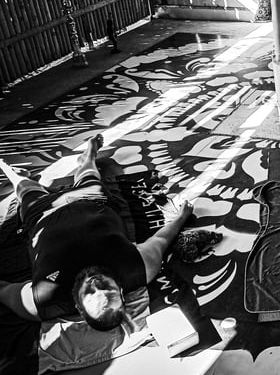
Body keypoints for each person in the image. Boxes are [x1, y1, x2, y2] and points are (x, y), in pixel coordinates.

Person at [0, 134, 194, 331]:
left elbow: (4, 290)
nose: (95, 282)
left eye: (90, 293)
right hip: (92, 199)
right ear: (120, 291)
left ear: (78, 307)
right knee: (88, 173)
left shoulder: (42, 300)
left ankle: (13, 173)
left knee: (25, 188)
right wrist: (182, 217)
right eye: (107, 288)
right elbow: (161, 238)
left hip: (42, 214)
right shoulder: (138, 268)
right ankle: (88, 156)